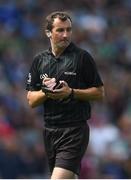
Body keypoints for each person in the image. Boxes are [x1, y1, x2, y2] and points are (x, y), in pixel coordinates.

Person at [26, 11, 105, 179]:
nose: (65, 35)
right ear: (48, 32)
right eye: (60, 30)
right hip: (49, 131)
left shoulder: (82, 58)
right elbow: (31, 100)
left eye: (69, 30)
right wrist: (47, 92)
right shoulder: (39, 60)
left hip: (74, 130)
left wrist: (71, 92)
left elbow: (99, 93)